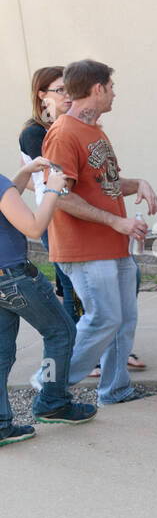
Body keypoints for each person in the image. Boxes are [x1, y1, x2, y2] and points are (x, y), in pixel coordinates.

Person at [36, 59, 157, 406]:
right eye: (112, 87)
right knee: (103, 319)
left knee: (123, 321)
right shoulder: (63, 133)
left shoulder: (95, 131)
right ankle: (48, 385)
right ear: (98, 88)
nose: (114, 94)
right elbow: (60, 196)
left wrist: (139, 183)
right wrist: (115, 222)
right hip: (85, 249)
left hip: (113, 245)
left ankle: (115, 390)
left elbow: (106, 183)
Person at [1, 157, 97, 445]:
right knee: (61, 332)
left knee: (1, 353)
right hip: (15, 277)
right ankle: (53, 402)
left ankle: (1, 424)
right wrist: (52, 189)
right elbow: (33, 227)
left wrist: (23, 173)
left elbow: (9, 205)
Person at [18, 66, 80, 323]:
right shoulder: (35, 133)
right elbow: (49, 177)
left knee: (74, 287)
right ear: (42, 95)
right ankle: (77, 345)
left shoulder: (71, 126)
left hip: (76, 212)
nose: (68, 95)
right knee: (74, 289)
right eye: (60, 90)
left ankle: (87, 341)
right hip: (55, 219)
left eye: (71, 89)